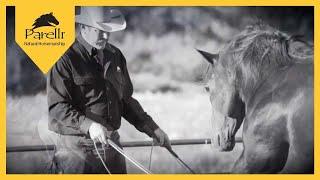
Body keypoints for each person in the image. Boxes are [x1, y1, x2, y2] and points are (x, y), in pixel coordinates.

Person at [47, 7, 171, 174]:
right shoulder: (65, 58)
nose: (105, 36)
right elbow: (57, 107)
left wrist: (153, 129)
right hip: (75, 151)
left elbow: (125, 101)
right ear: (83, 27)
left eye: (107, 30)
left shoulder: (115, 54)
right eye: (99, 30)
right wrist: (89, 125)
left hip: (112, 148)